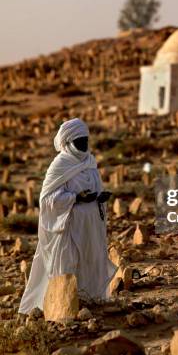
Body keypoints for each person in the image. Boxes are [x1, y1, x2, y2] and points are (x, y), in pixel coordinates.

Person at [19, 118, 117, 314]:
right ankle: (63, 307)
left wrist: (99, 197)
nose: (83, 145)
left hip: (90, 227)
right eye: (79, 142)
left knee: (90, 261)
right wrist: (76, 198)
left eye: (85, 141)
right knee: (68, 263)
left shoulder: (89, 162)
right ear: (68, 143)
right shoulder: (60, 165)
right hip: (69, 227)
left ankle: (91, 302)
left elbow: (95, 187)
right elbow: (47, 199)